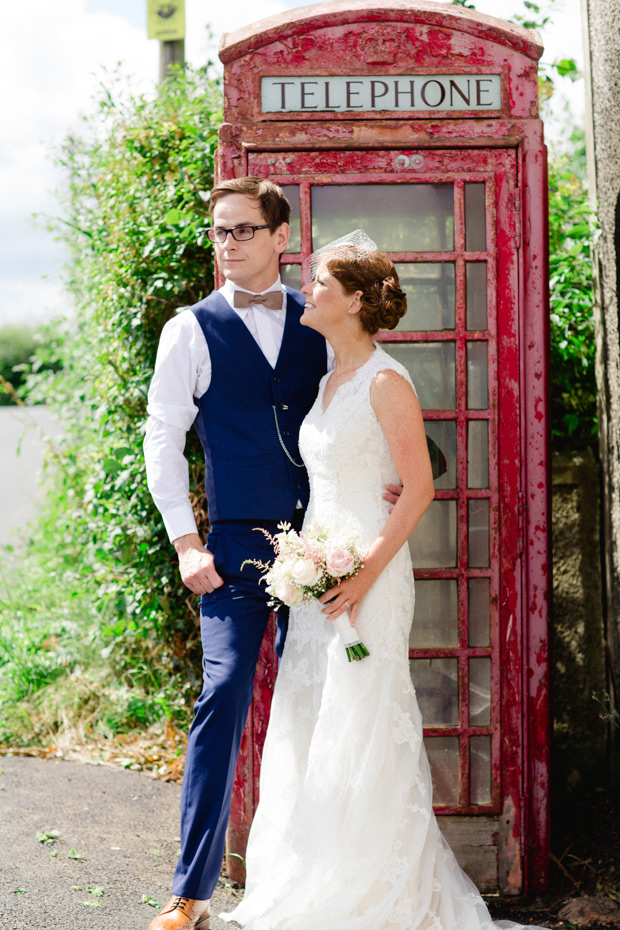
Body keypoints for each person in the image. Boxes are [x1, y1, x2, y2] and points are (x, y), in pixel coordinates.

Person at [220, 235, 551, 930]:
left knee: (363, 721)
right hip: (321, 575)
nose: (309, 290)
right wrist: (308, 562)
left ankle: (375, 894)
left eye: (321, 282)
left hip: (367, 572)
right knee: (315, 720)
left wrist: (362, 572)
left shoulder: (384, 380)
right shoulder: (330, 379)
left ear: (357, 300)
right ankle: (316, 878)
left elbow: (419, 488)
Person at [143, 184, 399, 930]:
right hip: (233, 547)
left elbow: (364, 406)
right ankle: (190, 892)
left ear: (282, 237)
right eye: (219, 232)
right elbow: (162, 439)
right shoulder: (188, 330)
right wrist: (186, 542)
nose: (228, 244)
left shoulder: (320, 317)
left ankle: (321, 881)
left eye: (244, 230)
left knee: (324, 702)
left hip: (323, 538)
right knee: (222, 698)